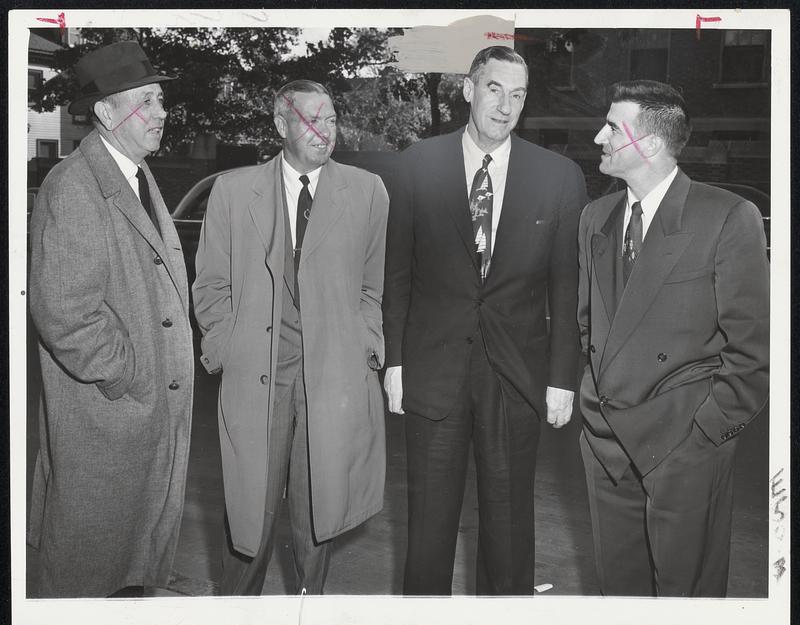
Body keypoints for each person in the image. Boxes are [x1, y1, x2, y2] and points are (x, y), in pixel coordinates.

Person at [383, 45, 588, 595]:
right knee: (427, 527)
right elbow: (396, 275)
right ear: (469, 89)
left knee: (510, 526)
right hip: (433, 370)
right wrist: (395, 363)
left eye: (518, 94)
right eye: (495, 89)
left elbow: (566, 290)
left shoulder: (560, 177)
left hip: (516, 375)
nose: (506, 106)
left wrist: (561, 378)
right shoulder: (415, 165)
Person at [193, 79, 389, 595]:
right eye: (312, 119)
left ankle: (308, 612)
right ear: (281, 125)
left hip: (332, 377)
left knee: (317, 515)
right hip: (257, 373)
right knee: (249, 519)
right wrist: (226, 349)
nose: (326, 130)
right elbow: (210, 284)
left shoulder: (367, 192)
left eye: (331, 119)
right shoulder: (234, 192)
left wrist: (367, 346)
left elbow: (374, 286)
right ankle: (237, 616)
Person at [577, 80, 770, 597]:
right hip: (607, 444)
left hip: (685, 445)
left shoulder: (728, 217)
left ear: (652, 144)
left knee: (688, 602)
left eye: (612, 127)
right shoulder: (594, 218)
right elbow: (588, 325)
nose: (599, 136)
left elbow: (754, 351)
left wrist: (704, 436)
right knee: (621, 598)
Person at [28, 41, 194, 598]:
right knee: (87, 581)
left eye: (161, 101)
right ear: (106, 112)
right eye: (147, 101)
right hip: (107, 423)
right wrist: (129, 375)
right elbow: (65, 314)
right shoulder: (75, 185)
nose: (161, 112)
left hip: (141, 423)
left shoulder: (136, 175)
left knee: (130, 577)